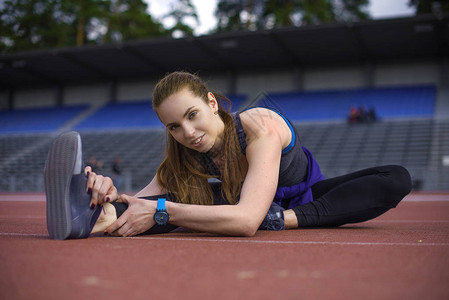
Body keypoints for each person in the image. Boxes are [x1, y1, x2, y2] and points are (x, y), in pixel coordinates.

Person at [44, 71, 412, 240]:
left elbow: (247, 221)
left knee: (395, 178)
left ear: (211, 103)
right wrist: (106, 194)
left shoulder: (258, 128)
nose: (188, 134)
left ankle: (284, 220)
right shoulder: (182, 152)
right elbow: (142, 200)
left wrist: (162, 211)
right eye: (173, 127)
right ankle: (87, 218)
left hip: (303, 201)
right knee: (151, 206)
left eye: (192, 116)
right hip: (234, 202)